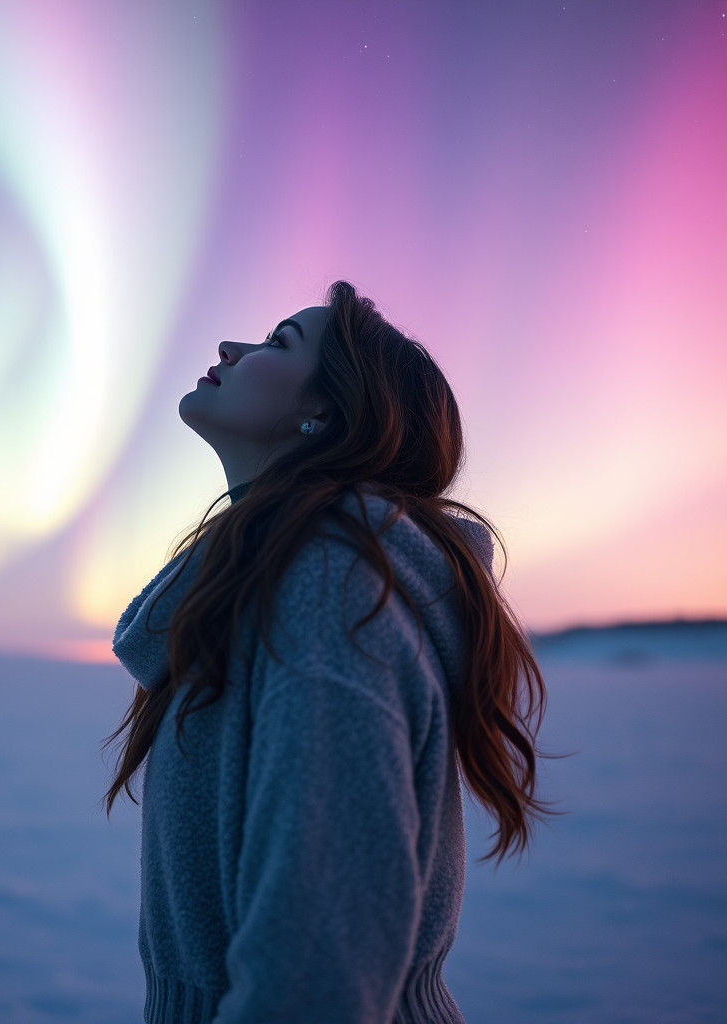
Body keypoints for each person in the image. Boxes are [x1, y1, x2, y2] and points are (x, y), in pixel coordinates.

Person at [101, 280, 564, 1023]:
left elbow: (321, 963)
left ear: (326, 413)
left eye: (279, 342)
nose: (231, 348)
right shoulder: (271, 583)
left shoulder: (329, 588)